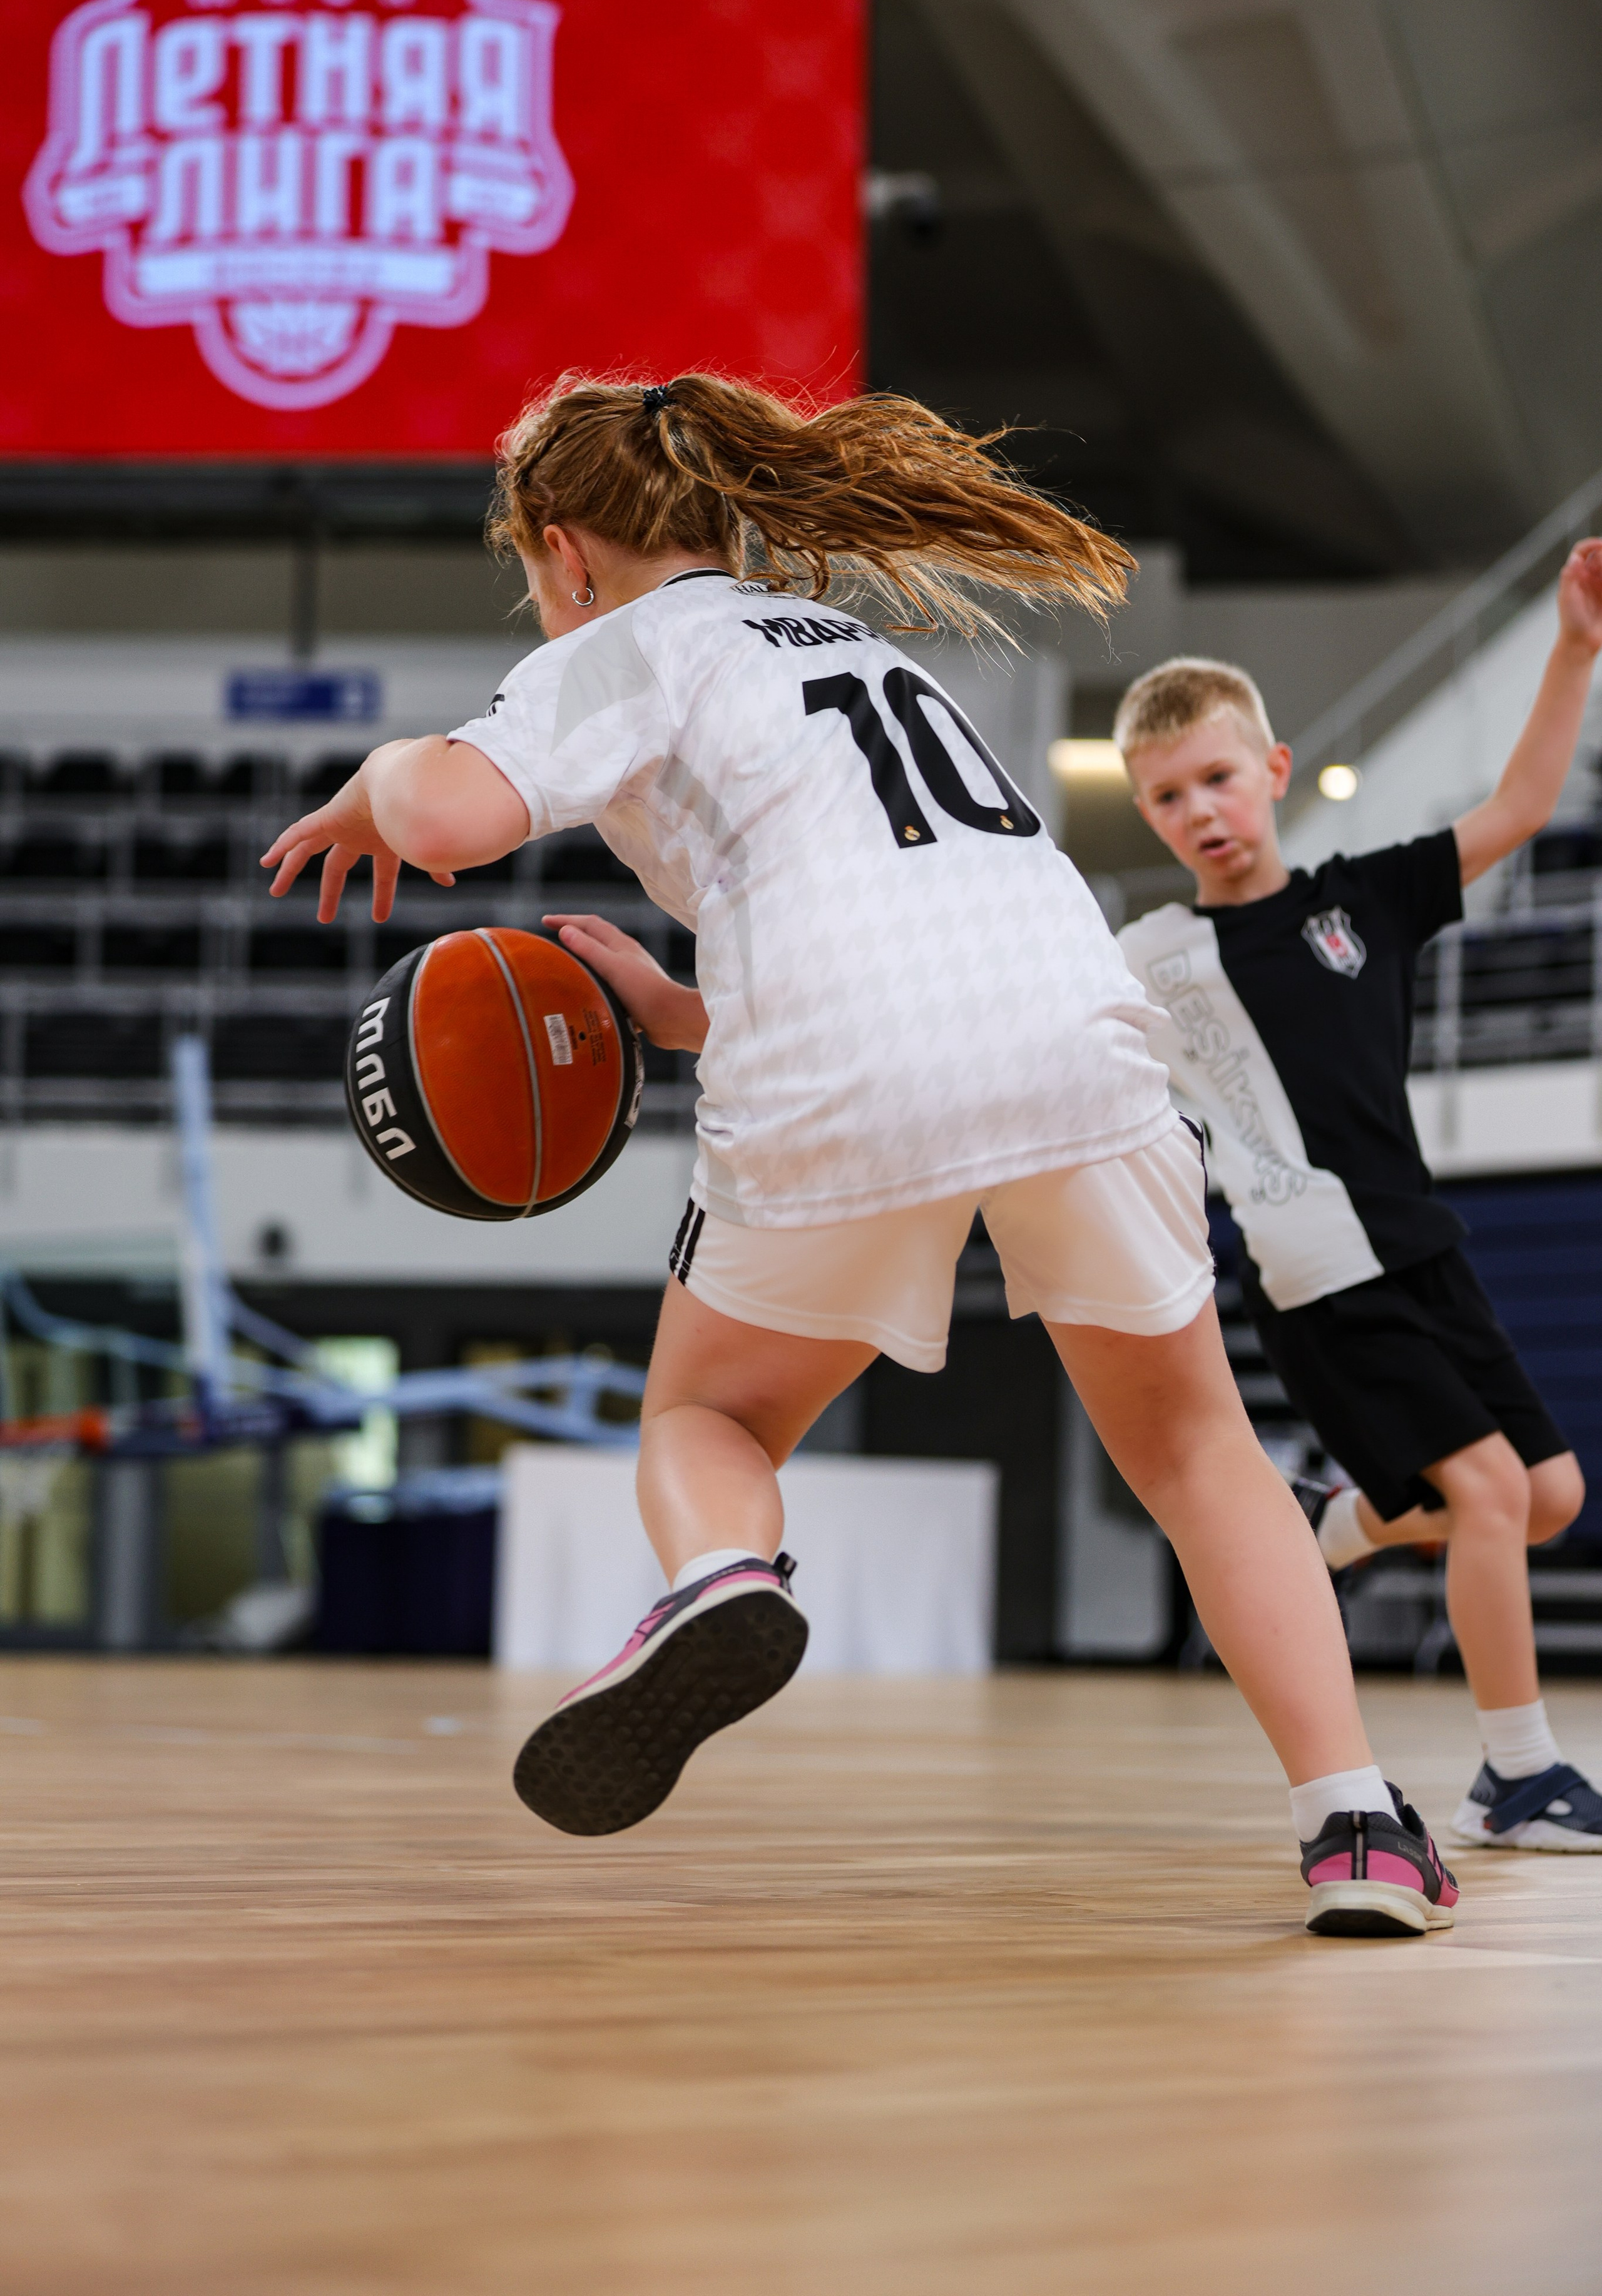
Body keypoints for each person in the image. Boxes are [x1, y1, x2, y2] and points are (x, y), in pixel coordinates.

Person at [262, 373, 1457, 1934]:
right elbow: (897, 923)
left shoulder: (621, 644)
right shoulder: (857, 647)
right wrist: (674, 1014)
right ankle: (1355, 1830)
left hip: (844, 1063)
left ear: (563, 553)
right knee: (1194, 1456)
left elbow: (445, 818)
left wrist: (376, 776)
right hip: (1068, 1026)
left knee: (705, 1419)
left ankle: (722, 1581)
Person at [1115, 538, 1602, 1852]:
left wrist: (1569, 649)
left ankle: (1344, 1522)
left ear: (1271, 773)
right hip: (1318, 1275)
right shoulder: (1152, 961)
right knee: (1493, 1498)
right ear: (1150, 817)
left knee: (1546, 1496)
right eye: (1165, 799)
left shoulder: (1364, 900)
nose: (1199, 810)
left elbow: (1514, 804)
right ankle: (1517, 1773)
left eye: (1216, 777)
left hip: (1423, 1248)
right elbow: (993, 1017)